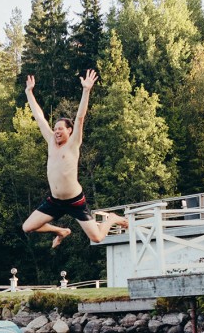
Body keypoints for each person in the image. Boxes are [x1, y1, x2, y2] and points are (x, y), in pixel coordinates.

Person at [21, 69, 128, 248]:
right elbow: (39, 118)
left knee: (97, 238)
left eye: (60, 129)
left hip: (75, 201)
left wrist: (86, 90)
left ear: (69, 131)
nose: (56, 131)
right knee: (27, 227)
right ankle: (61, 231)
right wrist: (29, 92)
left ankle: (113, 219)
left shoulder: (73, 144)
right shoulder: (50, 142)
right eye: (55, 128)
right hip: (55, 201)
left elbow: (80, 118)